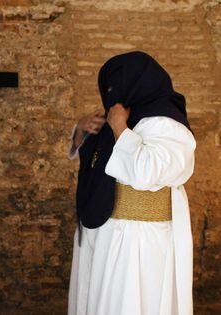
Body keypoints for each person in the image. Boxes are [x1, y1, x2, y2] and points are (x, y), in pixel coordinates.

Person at [67, 51, 196, 315]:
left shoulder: (168, 124)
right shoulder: (123, 117)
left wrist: (120, 129)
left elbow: (147, 172)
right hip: (106, 235)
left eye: (117, 86)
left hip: (142, 243)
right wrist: (82, 132)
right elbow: (96, 160)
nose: (112, 94)